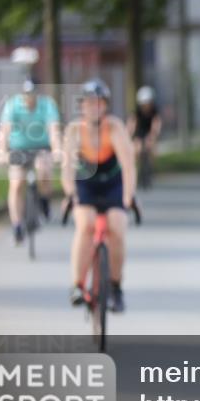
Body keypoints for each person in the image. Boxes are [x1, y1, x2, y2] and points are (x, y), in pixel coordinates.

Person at [61, 78, 135, 313]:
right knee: (85, 226)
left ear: (105, 106)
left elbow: (129, 165)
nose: (94, 107)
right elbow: (67, 168)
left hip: (112, 184)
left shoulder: (114, 128)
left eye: (99, 103)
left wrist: (127, 197)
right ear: (82, 106)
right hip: (87, 185)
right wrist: (70, 193)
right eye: (89, 103)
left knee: (118, 227)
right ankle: (78, 284)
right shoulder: (74, 130)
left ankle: (115, 286)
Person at [0, 78, 62, 244]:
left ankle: (45, 201)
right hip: (19, 148)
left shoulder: (47, 105)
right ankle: (17, 225)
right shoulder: (13, 106)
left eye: (32, 94)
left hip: (41, 146)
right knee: (17, 183)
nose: (29, 98)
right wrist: (2, 152)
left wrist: (57, 150)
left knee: (43, 170)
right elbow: (5, 131)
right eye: (26, 95)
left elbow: (53, 130)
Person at [127, 85, 161, 169]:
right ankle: (135, 168)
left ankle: (151, 167)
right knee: (136, 149)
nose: (146, 106)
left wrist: (153, 135)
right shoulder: (136, 113)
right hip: (138, 133)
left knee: (151, 147)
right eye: (144, 104)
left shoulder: (154, 112)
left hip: (149, 132)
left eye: (148, 103)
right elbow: (131, 124)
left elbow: (156, 124)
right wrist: (129, 135)